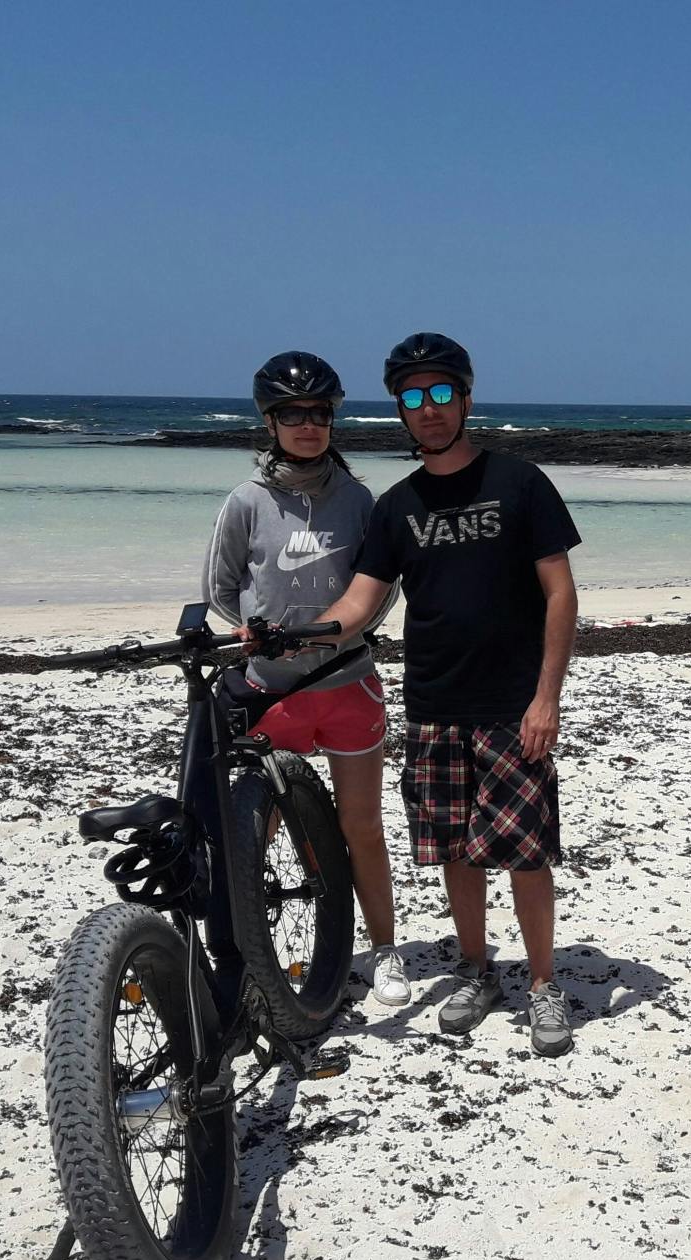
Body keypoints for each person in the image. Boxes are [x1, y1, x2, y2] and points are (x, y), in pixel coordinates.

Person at [311, 333, 582, 1057]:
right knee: (460, 851)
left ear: (464, 398)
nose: (427, 410)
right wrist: (296, 634)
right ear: (400, 409)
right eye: (412, 397)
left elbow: (560, 594)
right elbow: (362, 601)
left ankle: (545, 985)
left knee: (525, 854)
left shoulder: (521, 482)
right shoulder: (396, 507)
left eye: (439, 394)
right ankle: (476, 970)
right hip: (434, 706)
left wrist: (546, 698)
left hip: (512, 706)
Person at [203, 351, 407, 1008]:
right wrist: (255, 626)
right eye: (292, 413)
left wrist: (340, 630)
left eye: (318, 412)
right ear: (270, 420)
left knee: (363, 827)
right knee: (254, 831)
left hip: (347, 685)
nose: (307, 424)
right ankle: (247, 954)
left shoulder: (358, 500)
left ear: (333, 418)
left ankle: (383, 951)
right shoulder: (247, 501)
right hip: (272, 691)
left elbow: (382, 588)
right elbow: (220, 586)